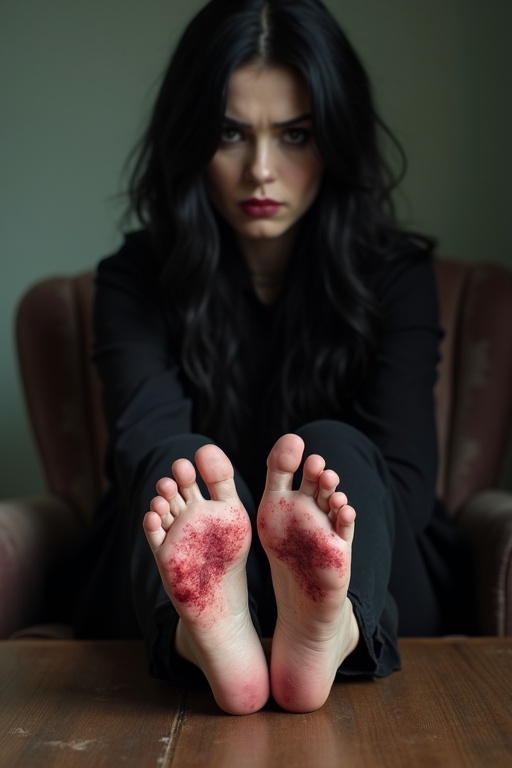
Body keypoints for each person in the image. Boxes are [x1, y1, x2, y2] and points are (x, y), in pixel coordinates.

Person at [67, 0, 476, 715]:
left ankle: (333, 623)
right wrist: (231, 545)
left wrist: (317, 543)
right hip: (165, 576)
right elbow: (141, 456)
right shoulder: (136, 276)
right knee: (178, 463)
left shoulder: (394, 276)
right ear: (190, 139)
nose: (262, 169)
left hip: (374, 564)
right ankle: (205, 634)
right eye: (230, 133)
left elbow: (405, 484)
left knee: (334, 452)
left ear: (336, 139)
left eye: (295, 135)